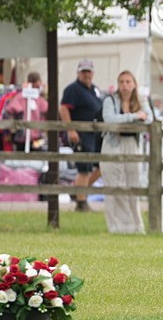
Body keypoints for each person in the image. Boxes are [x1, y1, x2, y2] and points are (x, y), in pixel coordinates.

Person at [100, 70, 150, 234]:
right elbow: (110, 119)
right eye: (121, 82)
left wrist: (135, 117)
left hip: (131, 143)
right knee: (113, 186)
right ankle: (114, 227)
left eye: (128, 82)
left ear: (134, 84)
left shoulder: (140, 100)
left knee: (133, 185)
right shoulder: (110, 100)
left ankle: (135, 227)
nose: (125, 85)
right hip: (112, 143)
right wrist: (134, 116)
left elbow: (149, 118)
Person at [59, 59, 104, 212]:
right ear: (78, 73)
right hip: (81, 133)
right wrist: (71, 129)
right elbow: (64, 109)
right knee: (83, 168)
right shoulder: (73, 89)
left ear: (93, 73)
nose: (86, 74)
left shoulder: (94, 89)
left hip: (95, 133)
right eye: (83, 71)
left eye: (89, 71)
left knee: (101, 167)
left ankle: (77, 191)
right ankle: (81, 202)